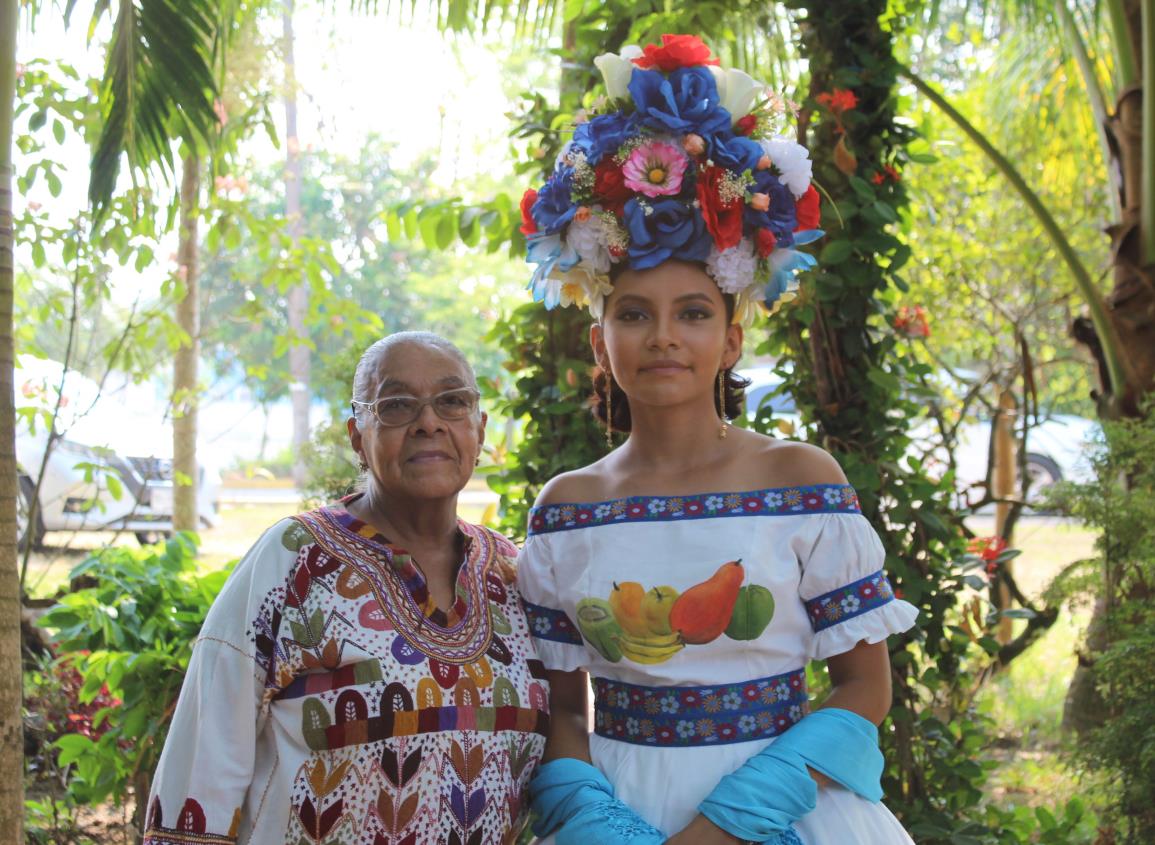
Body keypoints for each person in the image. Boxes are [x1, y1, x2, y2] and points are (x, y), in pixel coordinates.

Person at [516, 36, 918, 844]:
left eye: (693, 312)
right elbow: (563, 709)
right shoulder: (565, 511)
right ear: (599, 342)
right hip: (617, 813)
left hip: (789, 812)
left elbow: (862, 686)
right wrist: (599, 828)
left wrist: (731, 824)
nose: (663, 336)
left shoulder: (802, 479)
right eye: (632, 313)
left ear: (731, 340)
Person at [143, 332, 549, 845]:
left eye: (452, 401)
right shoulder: (293, 558)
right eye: (397, 405)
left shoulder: (514, 574)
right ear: (358, 435)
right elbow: (205, 758)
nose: (429, 422)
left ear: (479, 427)